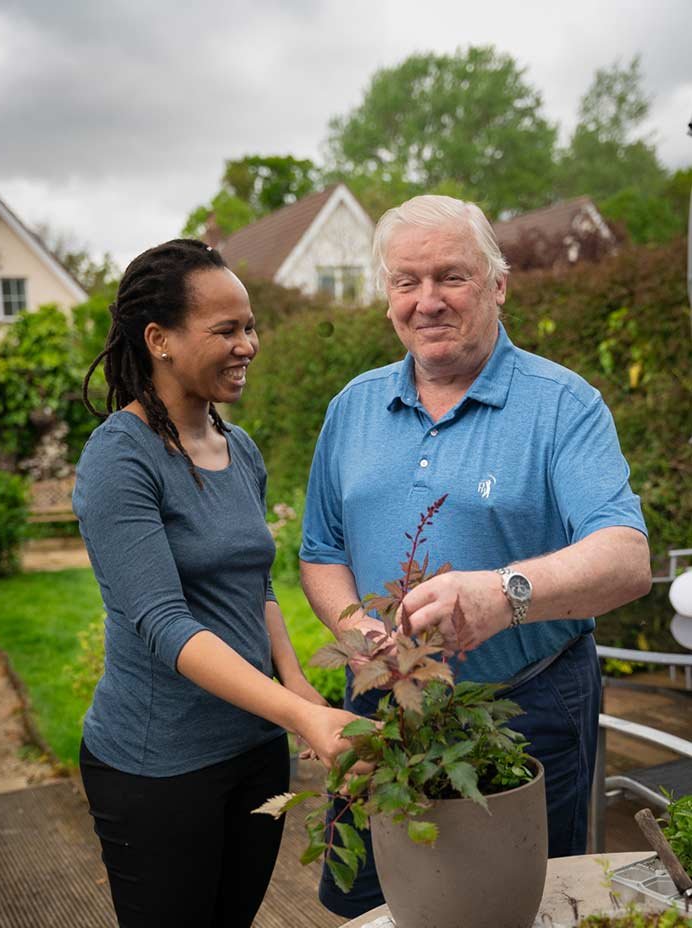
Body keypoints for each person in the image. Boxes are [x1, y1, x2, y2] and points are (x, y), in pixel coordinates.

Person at [299, 196, 652, 918]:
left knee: (525, 904)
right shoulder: (351, 409)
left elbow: (626, 558)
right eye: (406, 281)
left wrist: (506, 593)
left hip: (529, 703)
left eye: (451, 277)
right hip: (384, 702)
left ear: (498, 285)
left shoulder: (562, 405)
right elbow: (321, 552)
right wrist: (364, 640)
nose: (427, 301)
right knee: (373, 903)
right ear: (388, 296)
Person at [73, 239, 359, 928]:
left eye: (250, 326)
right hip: (158, 768)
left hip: (256, 754)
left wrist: (298, 695)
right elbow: (164, 624)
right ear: (159, 339)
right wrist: (302, 716)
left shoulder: (242, 449)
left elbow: (254, 588)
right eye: (226, 329)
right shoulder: (121, 457)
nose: (248, 345)